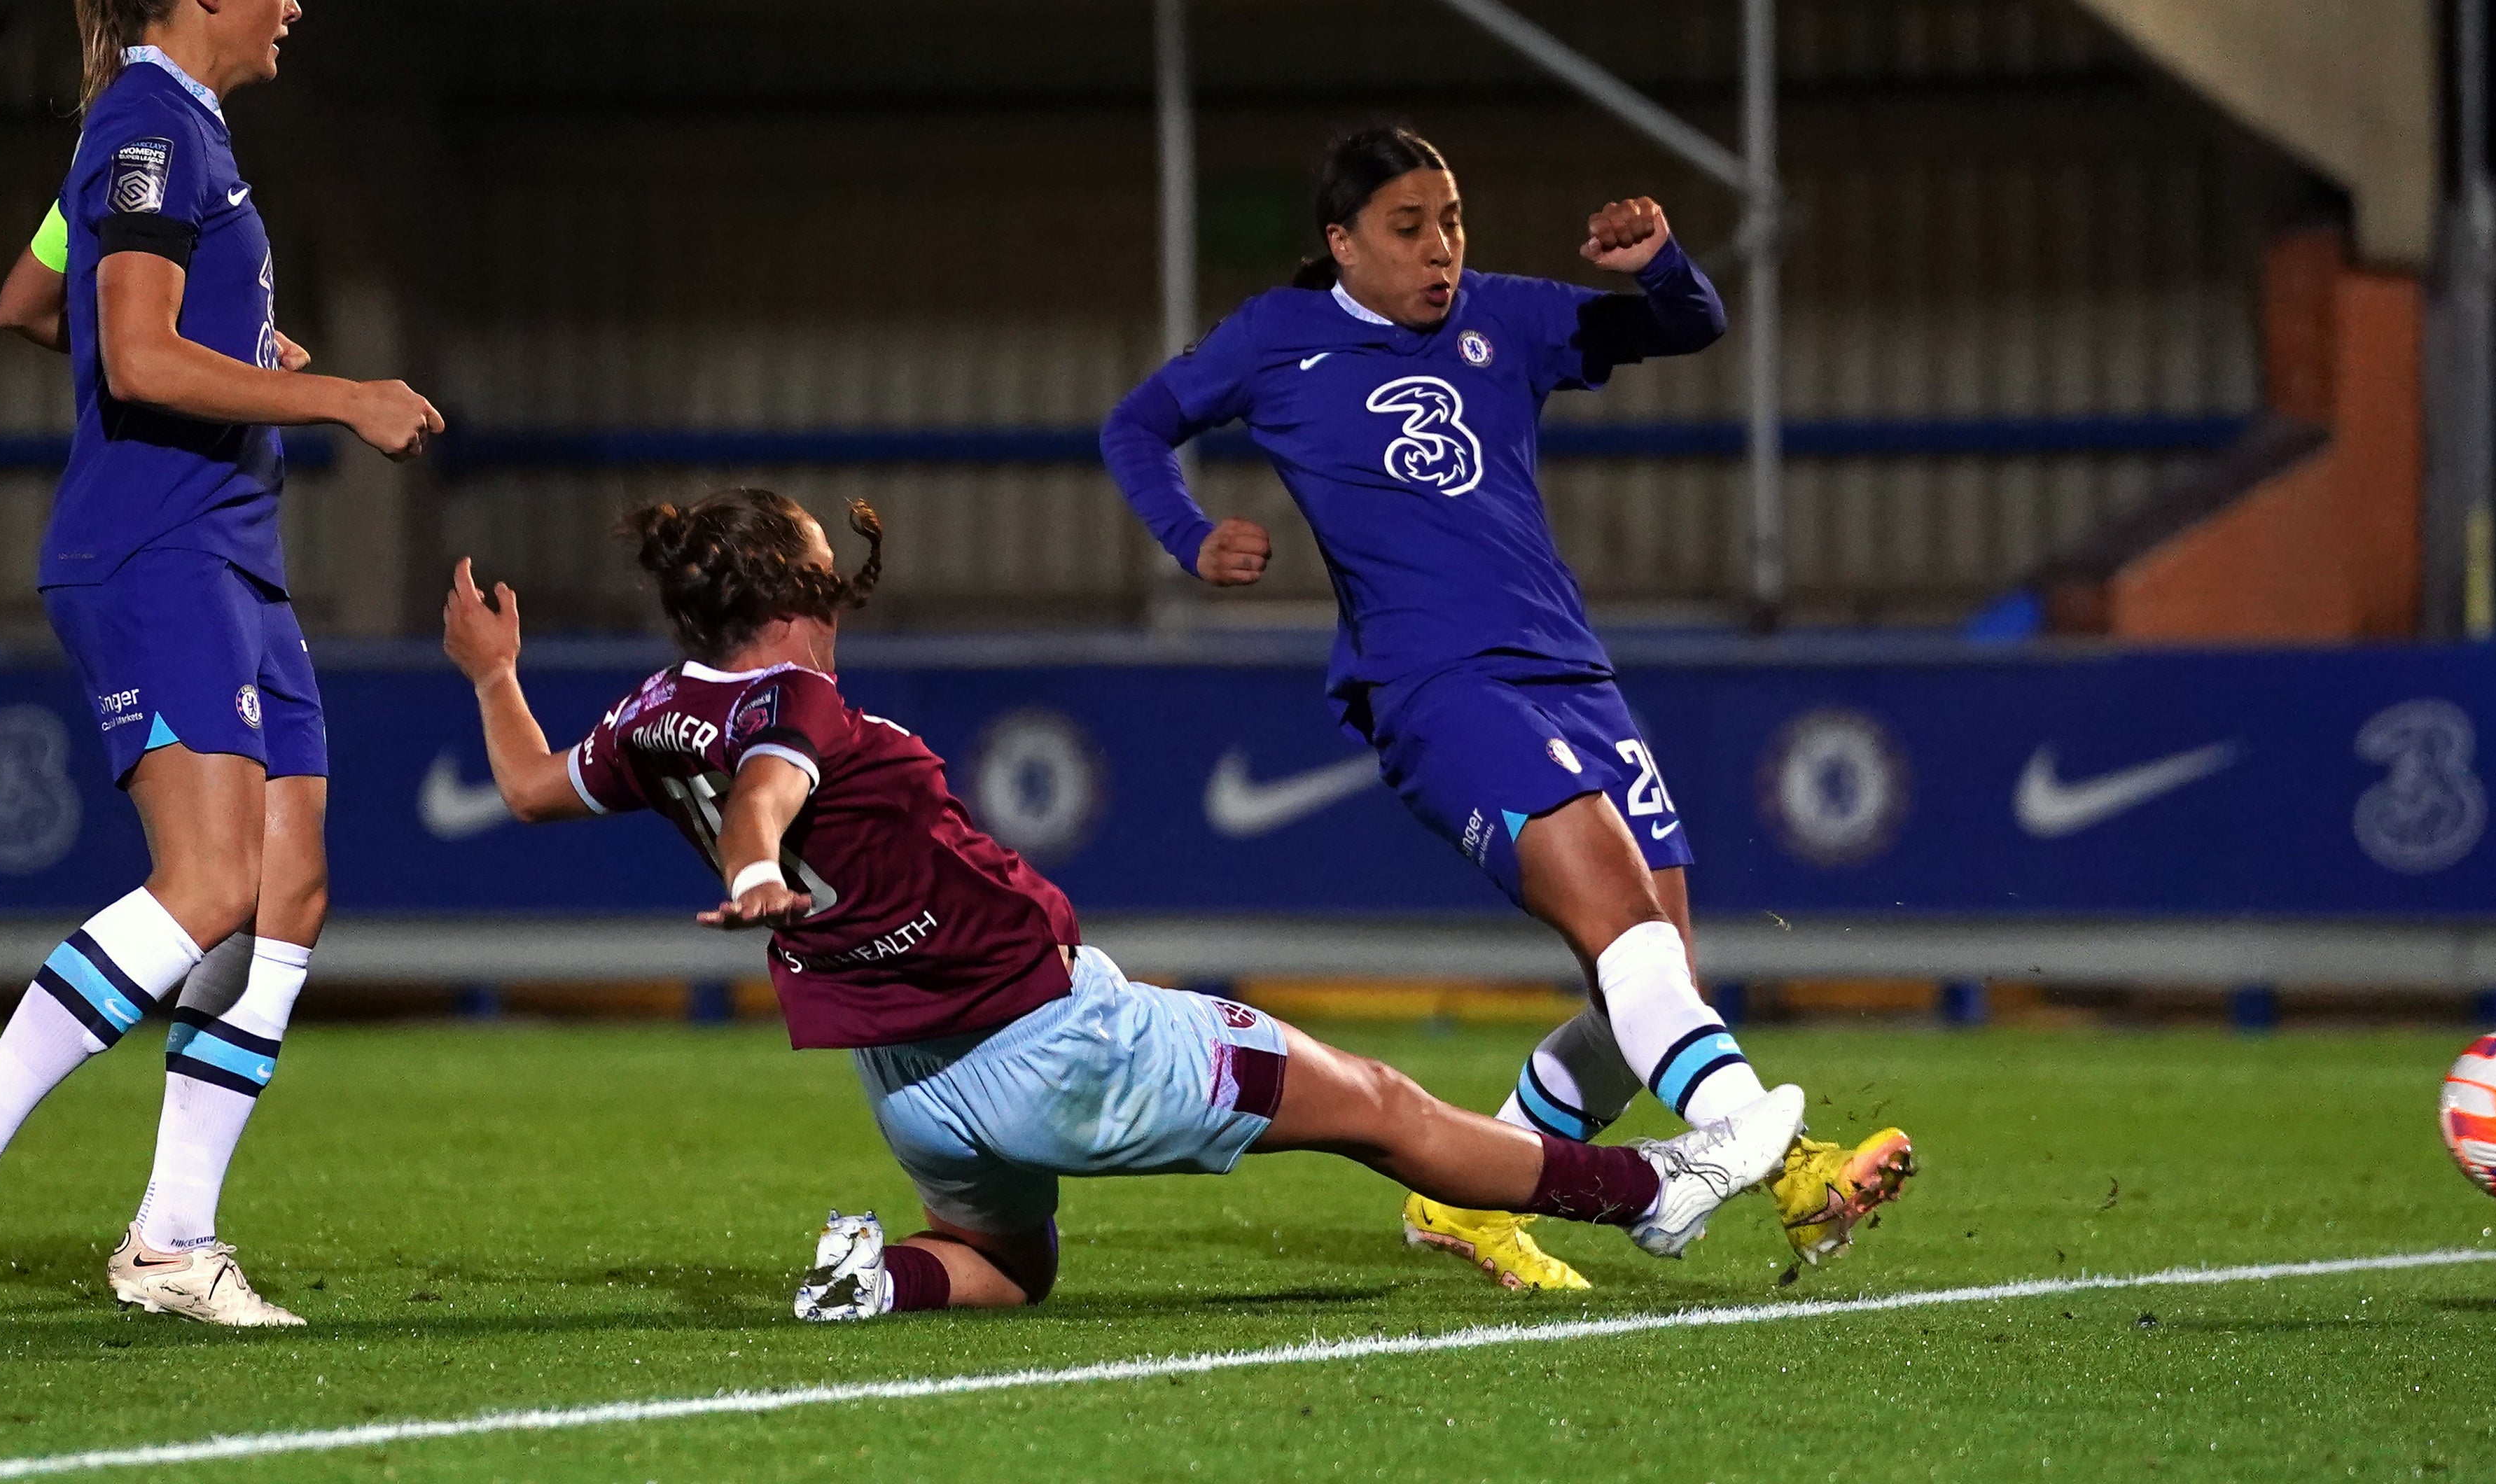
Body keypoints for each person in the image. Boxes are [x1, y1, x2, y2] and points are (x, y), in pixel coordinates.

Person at [438, 486, 1807, 1319]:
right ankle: (1646, 1186)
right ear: (800, 583)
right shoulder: (794, 705)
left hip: (914, 1085)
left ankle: (877, 1278)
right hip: (1056, 1044)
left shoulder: (657, 712)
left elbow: (527, 789)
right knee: (1380, 1107)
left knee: (1005, 1263)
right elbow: (769, 791)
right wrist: (749, 863)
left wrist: (494, 675)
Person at [1100, 125, 1915, 1292]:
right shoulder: (1277, 340)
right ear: (1339, 243)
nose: (1440, 249)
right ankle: (1789, 1167)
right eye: (1407, 227)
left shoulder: (1505, 317)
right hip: (1436, 686)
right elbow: (1133, 424)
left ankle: (1459, 1199)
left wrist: (1662, 264)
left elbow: (1687, 325)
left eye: (1452, 220)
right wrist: (1187, 537)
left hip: (1571, 675)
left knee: (1653, 979)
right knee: (1629, 944)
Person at [0, 0, 444, 1328]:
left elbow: (28, 298)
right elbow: (130, 362)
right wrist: (333, 394)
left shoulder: (168, 138)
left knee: (287, 891)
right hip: (154, 550)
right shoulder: (147, 128)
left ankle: (170, 1241)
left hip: (230, 553)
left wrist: (243, 340)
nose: (294, 4)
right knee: (204, 889)